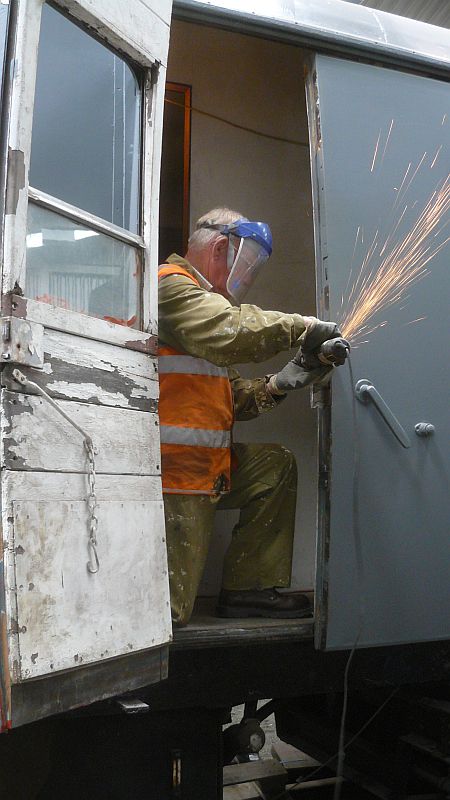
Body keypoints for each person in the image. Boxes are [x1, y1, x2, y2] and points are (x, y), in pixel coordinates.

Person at [158, 208, 348, 626]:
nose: (245, 276)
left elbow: (231, 397)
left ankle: (248, 590)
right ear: (222, 248)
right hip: (173, 475)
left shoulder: (202, 309)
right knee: (170, 613)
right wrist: (303, 327)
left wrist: (281, 382)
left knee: (274, 466)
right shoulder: (170, 287)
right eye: (245, 264)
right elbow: (229, 329)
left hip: (208, 468)